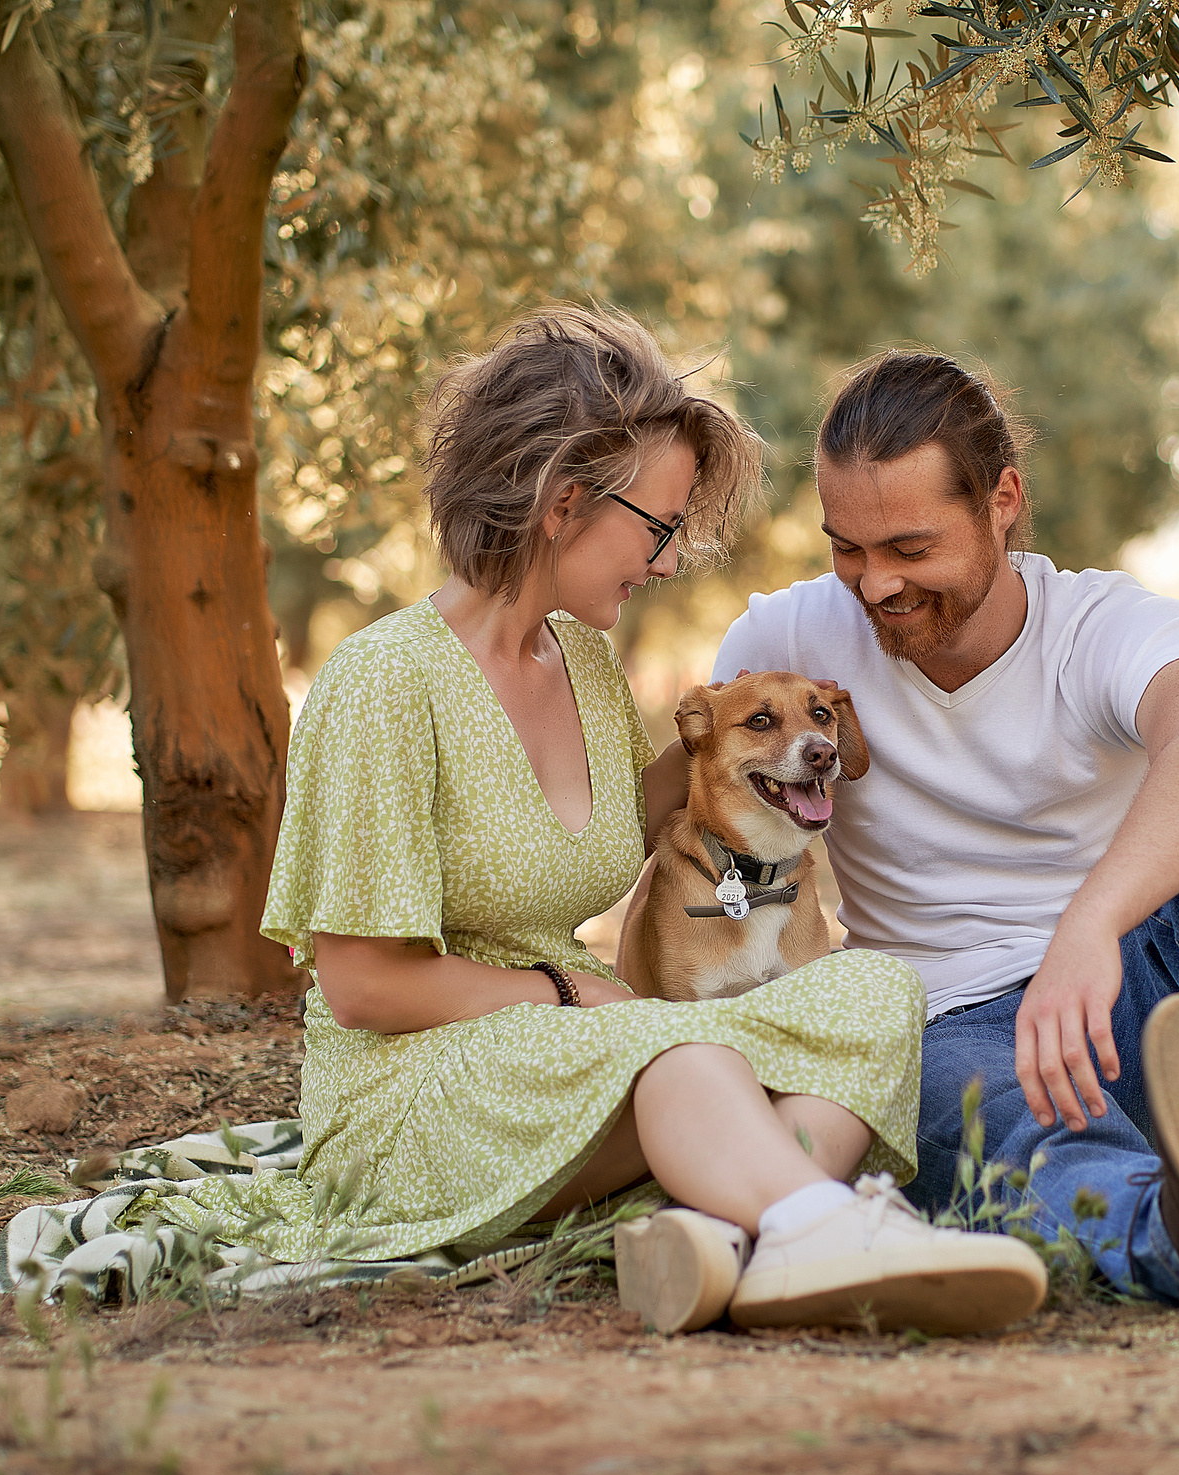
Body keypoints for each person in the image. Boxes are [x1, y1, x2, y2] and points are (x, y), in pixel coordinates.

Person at [141, 309, 1044, 1337]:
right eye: (657, 530)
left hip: (577, 1050)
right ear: (564, 503)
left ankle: (736, 1243)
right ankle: (817, 1224)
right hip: (416, 1084)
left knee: (875, 992)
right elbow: (362, 987)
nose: (665, 562)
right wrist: (571, 991)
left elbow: (670, 805)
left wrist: (787, 736)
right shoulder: (385, 682)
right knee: (680, 1053)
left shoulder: (581, 665)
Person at [673, 349, 1179, 1329]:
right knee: (983, 1119)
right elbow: (697, 809)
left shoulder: (1102, 623)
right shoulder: (786, 641)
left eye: (908, 546)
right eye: (846, 547)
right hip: (952, 1019)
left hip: (1140, 989)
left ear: (1002, 500)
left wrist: (1090, 925)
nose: (873, 584)